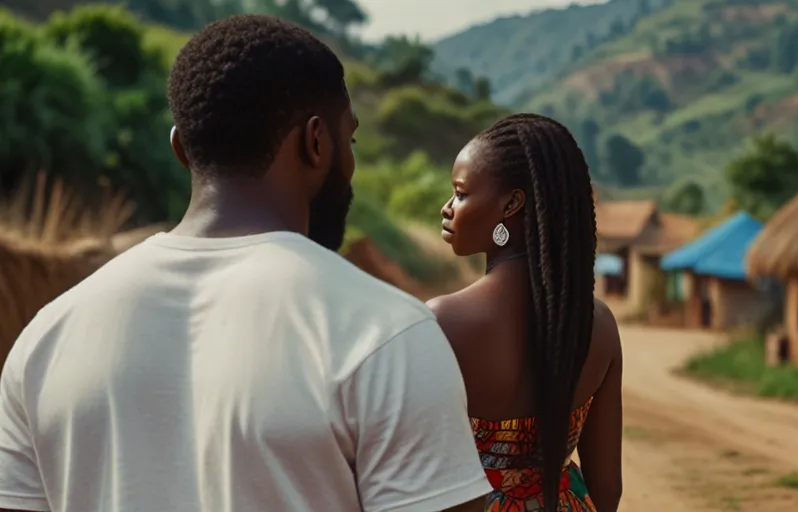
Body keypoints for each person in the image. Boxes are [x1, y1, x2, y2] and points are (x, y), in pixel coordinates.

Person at [0, 14, 491, 512]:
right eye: (351, 140)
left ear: (180, 149)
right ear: (317, 143)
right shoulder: (384, 333)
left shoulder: (46, 339)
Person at [428, 114, 623, 512]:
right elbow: (608, 490)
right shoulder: (598, 325)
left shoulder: (442, 323)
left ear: (512, 204)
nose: (448, 208)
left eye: (461, 193)